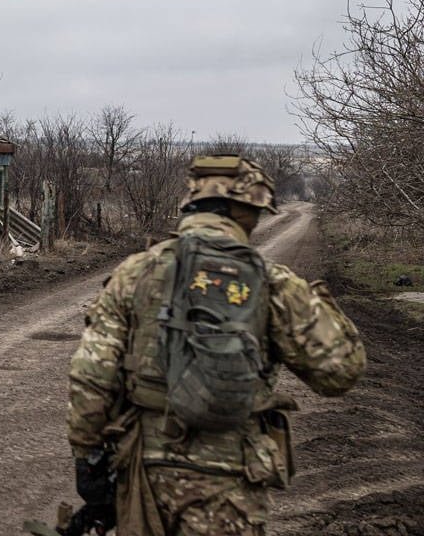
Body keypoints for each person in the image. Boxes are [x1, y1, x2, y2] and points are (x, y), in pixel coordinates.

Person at [67, 154, 365, 535]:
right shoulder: (273, 281)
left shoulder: (135, 273)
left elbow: (90, 375)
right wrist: (319, 302)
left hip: (147, 469)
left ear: (191, 205)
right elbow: (341, 372)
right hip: (231, 477)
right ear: (247, 213)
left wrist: (89, 458)